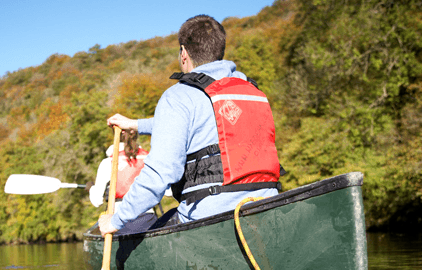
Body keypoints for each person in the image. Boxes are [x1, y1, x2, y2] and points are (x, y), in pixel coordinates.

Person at [99, 15, 281, 236]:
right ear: (219, 49)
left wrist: (116, 220)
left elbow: (159, 174)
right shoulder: (253, 92)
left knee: (132, 230)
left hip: (209, 218)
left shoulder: (179, 96)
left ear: (184, 53)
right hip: (268, 209)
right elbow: (195, 122)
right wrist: (135, 124)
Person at [89, 131, 172, 235]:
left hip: (118, 222)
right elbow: (169, 192)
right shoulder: (149, 158)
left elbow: (97, 201)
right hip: (147, 220)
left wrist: (91, 188)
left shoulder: (107, 162)